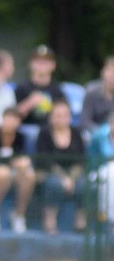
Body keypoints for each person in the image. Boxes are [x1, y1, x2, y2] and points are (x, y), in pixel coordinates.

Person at [0, 107, 35, 233]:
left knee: (29, 176)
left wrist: (20, 163)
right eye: (8, 119)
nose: (10, 123)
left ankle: (19, 215)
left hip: (15, 171)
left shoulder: (21, 138)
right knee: (2, 174)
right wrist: (11, 162)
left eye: (14, 120)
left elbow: (25, 159)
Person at [36, 98, 86, 234]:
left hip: (74, 172)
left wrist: (72, 178)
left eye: (66, 115)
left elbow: (80, 159)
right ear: (51, 118)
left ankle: (80, 220)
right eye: (58, 115)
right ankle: (50, 219)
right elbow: (44, 160)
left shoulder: (76, 133)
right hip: (50, 171)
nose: (62, 118)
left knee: (83, 184)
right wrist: (64, 178)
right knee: (54, 184)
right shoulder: (44, 133)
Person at [14, 45, 66, 126]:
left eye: (46, 62)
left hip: (50, 133)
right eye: (38, 61)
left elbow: (64, 117)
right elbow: (11, 117)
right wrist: (29, 103)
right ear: (31, 64)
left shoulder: (57, 90)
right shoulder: (21, 88)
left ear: (53, 65)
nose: (42, 65)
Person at [80, 55, 114, 136]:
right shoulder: (91, 92)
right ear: (103, 72)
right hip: (96, 136)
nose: (112, 76)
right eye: (110, 71)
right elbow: (84, 121)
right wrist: (104, 132)